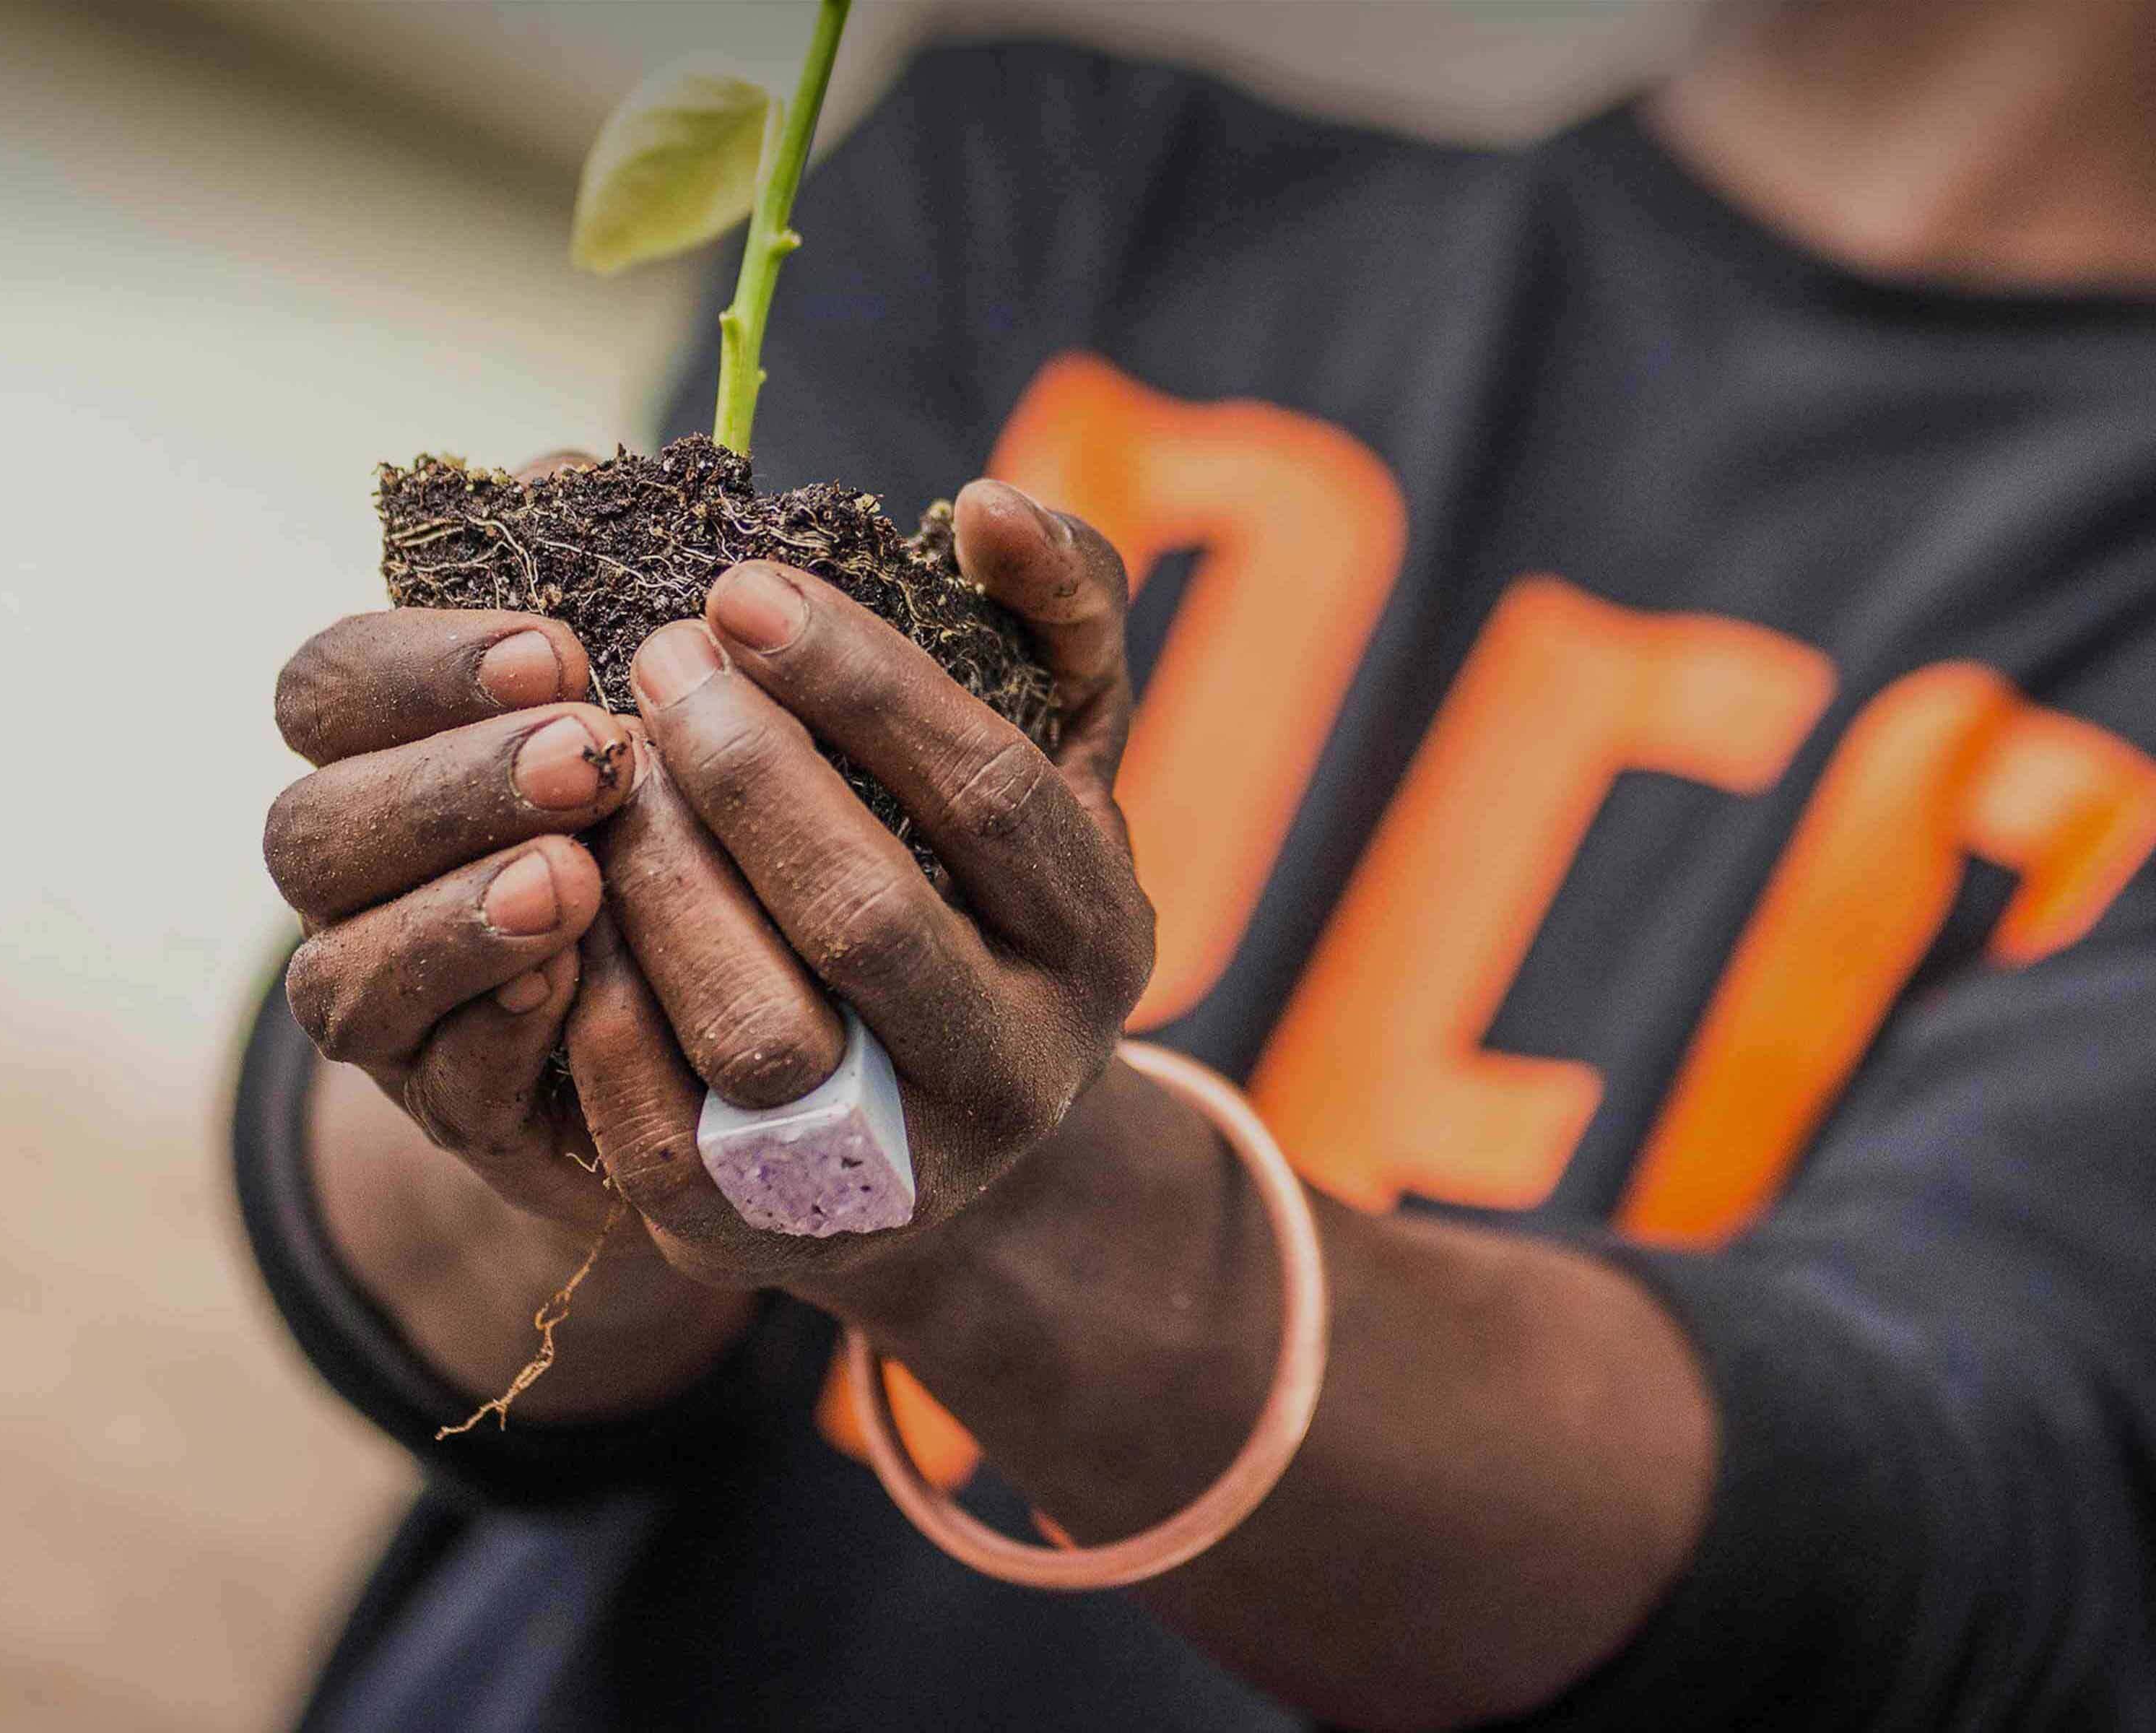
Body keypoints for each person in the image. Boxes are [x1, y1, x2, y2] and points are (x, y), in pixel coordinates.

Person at [234, 0, 2156, 1725]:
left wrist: (1008, 1203)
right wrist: (529, 1041)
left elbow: (1954, 1566)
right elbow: (412, 1261)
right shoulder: (1063, 184)